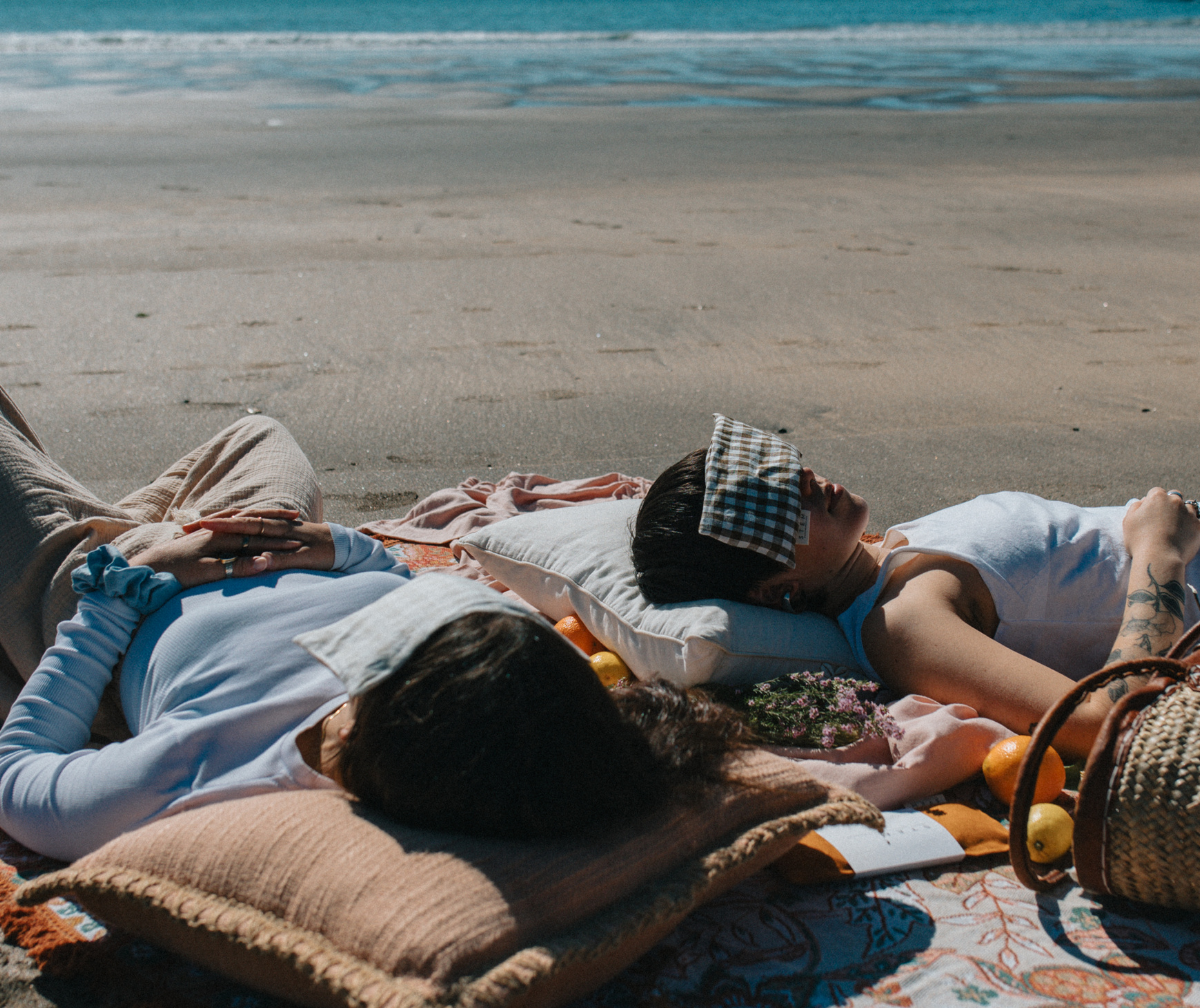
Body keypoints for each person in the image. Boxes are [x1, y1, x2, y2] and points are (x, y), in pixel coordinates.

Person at [0, 387, 748, 862]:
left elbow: (20, 770)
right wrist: (338, 548)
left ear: (364, 727)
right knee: (261, 435)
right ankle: (109, 518)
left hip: (113, 594)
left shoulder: (193, 769)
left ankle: (97, 531)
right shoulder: (502, 686)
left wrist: (129, 588)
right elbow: (397, 579)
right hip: (272, 542)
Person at [632, 415, 1200, 763]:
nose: (799, 480)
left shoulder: (887, 554)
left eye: (776, 469)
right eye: (773, 509)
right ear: (779, 591)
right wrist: (1161, 550)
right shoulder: (900, 626)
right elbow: (1101, 723)